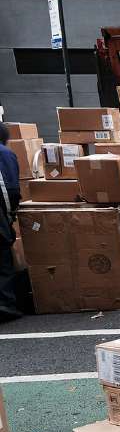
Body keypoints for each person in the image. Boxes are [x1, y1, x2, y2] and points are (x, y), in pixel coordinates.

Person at [0, 125, 22, 322]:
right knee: (2, 259)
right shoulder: (4, 153)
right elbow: (11, 190)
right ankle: (5, 304)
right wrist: (10, 215)